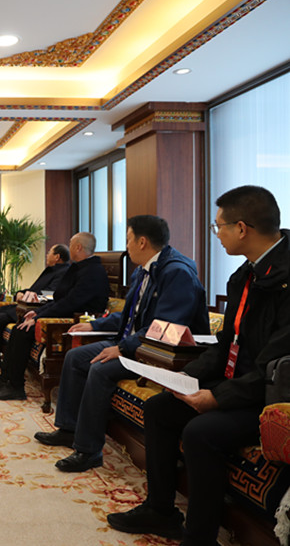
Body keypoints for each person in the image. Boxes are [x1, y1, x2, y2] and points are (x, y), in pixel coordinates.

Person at [107, 186, 290, 545]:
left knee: (200, 431)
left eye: (218, 226)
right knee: (160, 408)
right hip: (238, 384)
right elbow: (226, 345)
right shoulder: (246, 275)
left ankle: (199, 537)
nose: (216, 233)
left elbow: (275, 366)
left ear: (241, 228)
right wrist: (185, 376)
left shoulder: (283, 280)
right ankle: (161, 510)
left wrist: (218, 397)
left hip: (270, 396)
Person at [34, 215, 209, 473]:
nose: (126, 246)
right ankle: (69, 429)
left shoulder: (176, 273)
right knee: (75, 356)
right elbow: (129, 317)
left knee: (100, 368)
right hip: (133, 342)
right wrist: (95, 325)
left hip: (157, 352)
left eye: (128, 240)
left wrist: (123, 349)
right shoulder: (142, 271)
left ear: (142, 242)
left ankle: (88, 451)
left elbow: (165, 328)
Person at [0, 232, 108, 401]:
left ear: (78, 247)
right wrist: (37, 313)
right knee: (19, 327)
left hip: (73, 322)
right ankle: (5, 379)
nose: (69, 247)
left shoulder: (93, 271)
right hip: (62, 314)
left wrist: (38, 319)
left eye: (71, 244)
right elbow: (60, 299)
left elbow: (70, 303)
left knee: (22, 331)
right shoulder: (77, 268)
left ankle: (15, 386)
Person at [0, 244, 71, 370]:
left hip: (33, 308)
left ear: (57, 257)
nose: (47, 255)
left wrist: (28, 296)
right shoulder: (50, 270)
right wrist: (21, 292)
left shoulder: (64, 272)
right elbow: (34, 288)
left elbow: (48, 294)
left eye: (49, 252)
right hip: (24, 305)